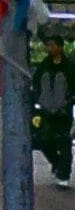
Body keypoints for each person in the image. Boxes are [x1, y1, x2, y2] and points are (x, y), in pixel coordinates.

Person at [32, 33, 75, 188]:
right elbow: (36, 84)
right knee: (43, 140)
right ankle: (56, 163)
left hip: (63, 113)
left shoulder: (70, 67)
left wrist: (67, 102)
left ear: (60, 47)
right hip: (45, 111)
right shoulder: (44, 65)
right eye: (48, 45)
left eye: (52, 45)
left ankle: (63, 176)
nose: (49, 48)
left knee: (63, 143)